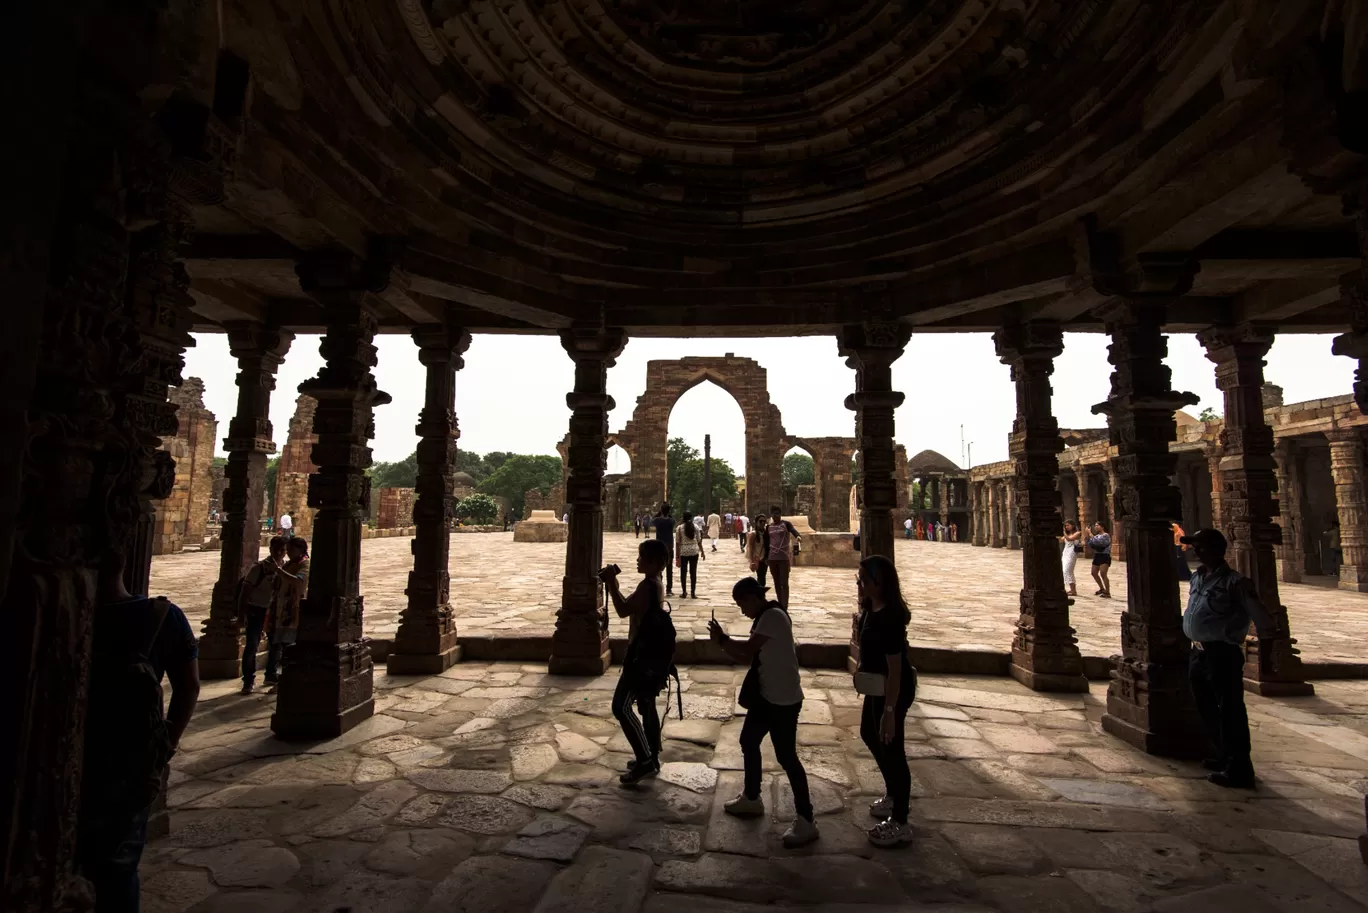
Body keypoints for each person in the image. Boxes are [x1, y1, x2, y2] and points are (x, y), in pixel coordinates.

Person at [79, 547, 201, 911]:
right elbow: (189, 686)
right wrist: (167, 743)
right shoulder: (162, 616)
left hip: (48, 764)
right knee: (117, 867)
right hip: (127, 761)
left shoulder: (52, 611)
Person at [709, 577, 819, 848]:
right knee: (749, 741)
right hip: (768, 696)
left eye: (742, 603)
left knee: (787, 757)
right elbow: (747, 657)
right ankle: (751, 796)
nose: (742, 609)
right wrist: (722, 642)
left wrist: (723, 638)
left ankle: (806, 819)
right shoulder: (764, 618)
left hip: (782, 700)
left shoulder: (772, 617)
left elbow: (747, 650)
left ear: (753, 597)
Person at [1181, 528, 1281, 789]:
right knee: (1205, 706)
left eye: (1200, 546)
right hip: (1198, 653)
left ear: (1216, 549)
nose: (1196, 550)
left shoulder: (1236, 583)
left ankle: (1239, 767)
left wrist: (1267, 659)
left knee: (1230, 711)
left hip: (1221, 654)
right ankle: (1224, 755)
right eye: (1195, 546)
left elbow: (1263, 622)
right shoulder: (1198, 578)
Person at [852, 555, 917, 847]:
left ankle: (901, 821)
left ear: (879, 581)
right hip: (877, 687)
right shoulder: (870, 607)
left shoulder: (889, 616)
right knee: (869, 733)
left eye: (864, 579)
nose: (859, 583)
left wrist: (890, 712)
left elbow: (896, 668)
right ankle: (893, 793)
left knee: (892, 747)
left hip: (893, 688)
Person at [601, 538, 670, 785]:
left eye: (642, 558)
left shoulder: (647, 586)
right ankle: (652, 755)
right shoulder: (658, 583)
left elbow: (622, 609)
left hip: (640, 657)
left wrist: (611, 584)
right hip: (653, 654)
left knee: (621, 706)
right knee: (647, 705)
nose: (638, 561)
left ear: (656, 563)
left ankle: (645, 761)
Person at [239, 535, 287, 694]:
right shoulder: (258, 569)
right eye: (277, 549)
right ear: (271, 549)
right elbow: (245, 592)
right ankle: (248, 680)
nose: (279, 553)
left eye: (282, 550)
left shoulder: (285, 569)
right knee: (252, 644)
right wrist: (241, 614)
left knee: (276, 643)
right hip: (256, 610)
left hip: (274, 611)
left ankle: (271, 674)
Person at [269, 537, 310, 683]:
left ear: (300, 549)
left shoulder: (304, 564)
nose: (288, 553)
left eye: (291, 550)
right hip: (281, 609)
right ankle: (272, 674)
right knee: (277, 642)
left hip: (292, 610)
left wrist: (279, 571)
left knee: (288, 645)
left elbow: (299, 581)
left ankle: (287, 676)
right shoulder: (290, 564)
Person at [764, 506, 800, 609]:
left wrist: (798, 536)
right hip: (772, 558)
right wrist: (766, 557)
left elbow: (793, 530)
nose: (776, 517)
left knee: (784, 582)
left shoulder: (785, 524)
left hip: (783, 557)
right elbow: (767, 543)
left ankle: (785, 604)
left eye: (778, 514)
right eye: (774, 515)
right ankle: (780, 602)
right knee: (776, 582)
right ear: (771, 515)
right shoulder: (769, 527)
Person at [675, 510, 706, 598]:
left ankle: (684, 592)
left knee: (683, 572)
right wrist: (702, 552)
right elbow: (699, 541)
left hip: (684, 551)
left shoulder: (679, 528)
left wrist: (677, 556)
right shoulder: (695, 527)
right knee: (693, 572)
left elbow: (677, 542)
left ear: (683, 517)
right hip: (694, 550)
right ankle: (693, 593)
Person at [653, 504, 676, 596]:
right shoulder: (672, 521)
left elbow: (652, 520)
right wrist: (668, 514)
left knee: (659, 568)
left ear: (661, 511)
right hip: (669, 547)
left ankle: (659, 586)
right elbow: (673, 519)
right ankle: (669, 589)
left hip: (659, 547)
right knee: (669, 569)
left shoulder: (657, 520)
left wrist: (659, 513)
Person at [1087, 522, 1112, 598]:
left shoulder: (1106, 535)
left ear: (1102, 527)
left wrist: (1090, 534)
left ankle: (1107, 592)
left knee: (1103, 573)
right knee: (1094, 572)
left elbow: (1099, 543)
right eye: (1095, 526)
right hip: (1097, 555)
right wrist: (1091, 538)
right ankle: (1102, 588)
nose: (1096, 527)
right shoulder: (1096, 536)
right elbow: (1091, 543)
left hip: (1104, 555)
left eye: (1098, 525)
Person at [1059, 520, 1082, 597]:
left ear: (1072, 525)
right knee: (1065, 570)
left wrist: (1063, 532)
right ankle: (1073, 590)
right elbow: (1061, 540)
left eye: (1068, 525)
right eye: (1065, 526)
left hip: (1072, 552)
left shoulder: (1077, 533)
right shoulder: (1067, 533)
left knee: (1067, 570)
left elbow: (1069, 539)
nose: (1067, 527)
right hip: (1065, 552)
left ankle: (1073, 590)